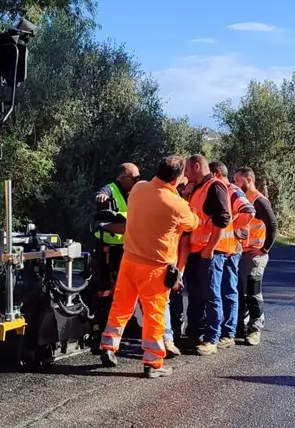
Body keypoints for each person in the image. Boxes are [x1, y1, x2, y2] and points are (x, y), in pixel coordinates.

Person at [99, 156, 198, 378]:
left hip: (129, 260)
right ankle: (153, 363)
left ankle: (108, 346)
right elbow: (193, 222)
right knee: (154, 314)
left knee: (121, 306)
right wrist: (181, 193)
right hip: (155, 267)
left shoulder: (139, 188)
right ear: (177, 179)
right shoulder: (176, 204)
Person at [91, 163, 180, 356]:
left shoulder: (139, 190)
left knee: (125, 301)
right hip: (119, 249)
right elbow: (103, 193)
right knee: (138, 301)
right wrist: (102, 198)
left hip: (130, 250)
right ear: (124, 178)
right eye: (134, 178)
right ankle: (154, 352)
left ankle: (114, 343)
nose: (138, 181)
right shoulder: (115, 189)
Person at [182, 156, 254, 355]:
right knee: (196, 296)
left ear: (197, 166)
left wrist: (210, 248)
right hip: (197, 251)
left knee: (213, 295)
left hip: (211, 252)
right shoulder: (197, 189)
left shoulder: (216, 187)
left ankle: (212, 338)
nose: (185, 174)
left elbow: (223, 219)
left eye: (187, 170)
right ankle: (196, 334)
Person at [233, 167, 277, 346]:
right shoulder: (242, 200)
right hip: (241, 253)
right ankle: (240, 326)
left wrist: (265, 249)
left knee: (253, 292)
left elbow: (273, 224)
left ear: (248, 180)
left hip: (254, 255)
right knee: (241, 292)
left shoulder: (258, 200)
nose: (235, 183)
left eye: (238, 180)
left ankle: (255, 328)